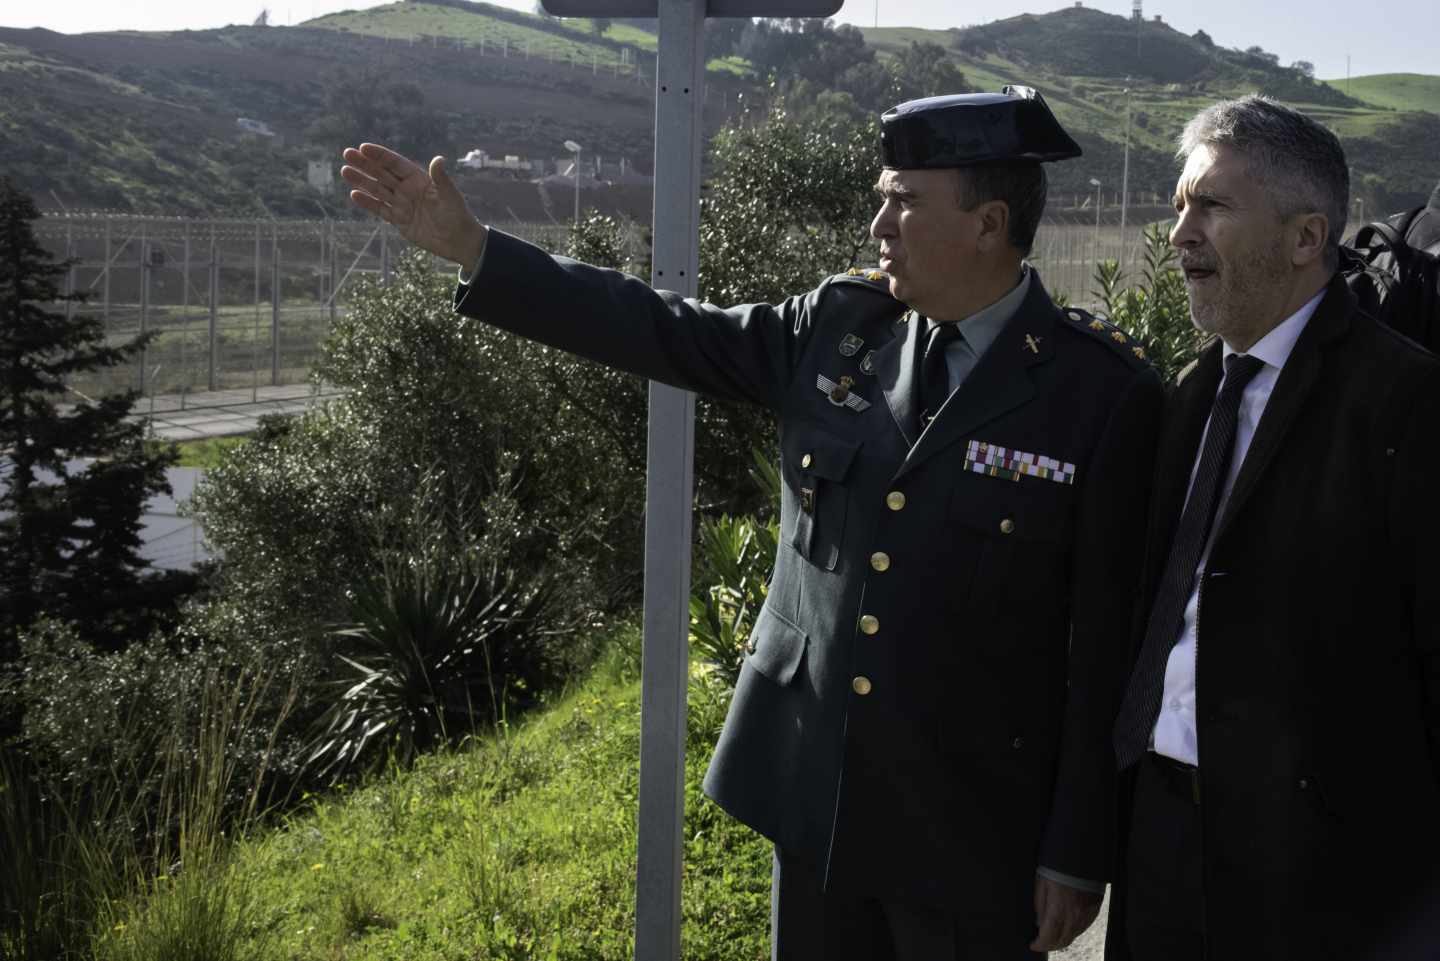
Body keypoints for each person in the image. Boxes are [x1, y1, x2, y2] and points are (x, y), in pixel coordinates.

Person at [342, 86, 1162, 960]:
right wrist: (474, 251)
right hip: (812, 795)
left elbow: (1103, 645)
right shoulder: (843, 326)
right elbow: (660, 328)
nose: (879, 223)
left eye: (905, 201)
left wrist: (1076, 851)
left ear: (989, 223)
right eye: (879, 196)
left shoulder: (1100, 394)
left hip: (970, 829)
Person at [1107, 95, 1440, 961]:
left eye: (1211, 206)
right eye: (1180, 205)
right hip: (1163, 842)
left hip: (1324, 876)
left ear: (1305, 238)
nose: (1179, 233)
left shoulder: (1405, 402)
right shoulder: (1185, 397)